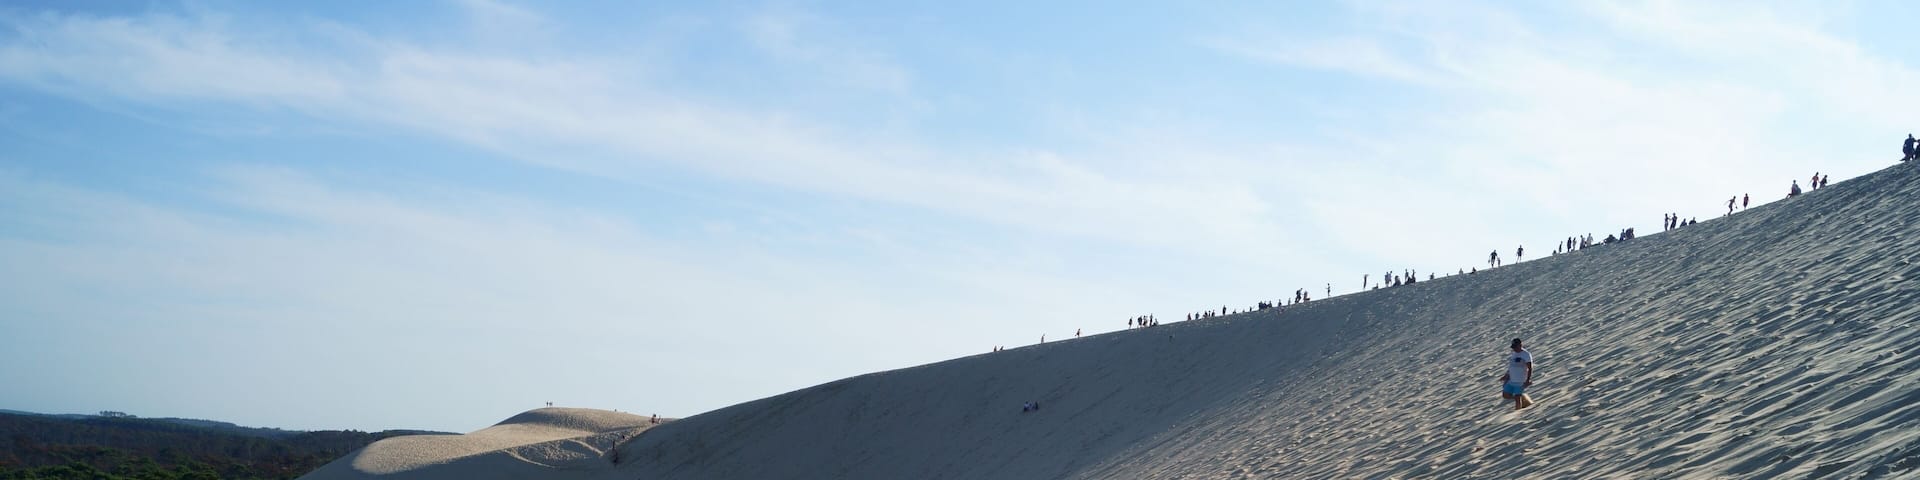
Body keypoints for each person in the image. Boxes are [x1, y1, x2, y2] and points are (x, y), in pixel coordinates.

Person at [1500, 338, 1535, 410]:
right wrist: (1506, 375)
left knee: (1517, 397)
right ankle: (1524, 398)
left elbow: (1530, 368)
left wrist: (1527, 380)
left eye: (1515, 347)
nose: (1514, 349)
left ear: (1520, 345)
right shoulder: (1514, 354)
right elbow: (1511, 366)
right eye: (1513, 347)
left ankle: (1518, 413)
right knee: (1505, 395)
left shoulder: (1526, 354)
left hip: (1520, 380)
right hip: (1512, 379)